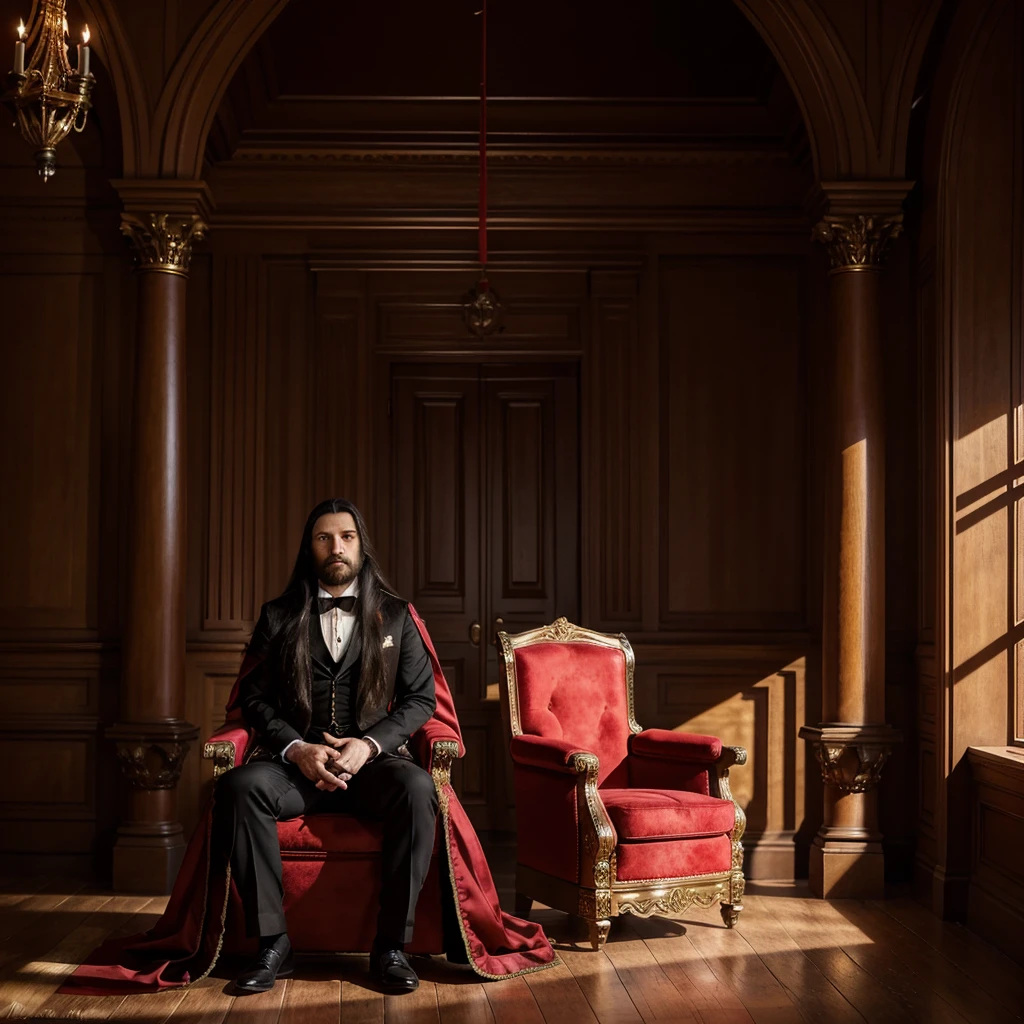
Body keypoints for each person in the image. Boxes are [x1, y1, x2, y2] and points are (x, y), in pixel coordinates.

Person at [220, 498, 438, 995]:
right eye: (324, 538)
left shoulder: (396, 614)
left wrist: (369, 745)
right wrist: (297, 748)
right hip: (297, 770)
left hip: (371, 770)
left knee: (418, 788)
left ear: (361, 545)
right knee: (240, 787)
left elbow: (420, 698)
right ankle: (274, 943)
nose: (335, 547)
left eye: (346, 537)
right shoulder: (278, 615)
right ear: (309, 547)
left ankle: (391, 947)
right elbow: (253, 700)